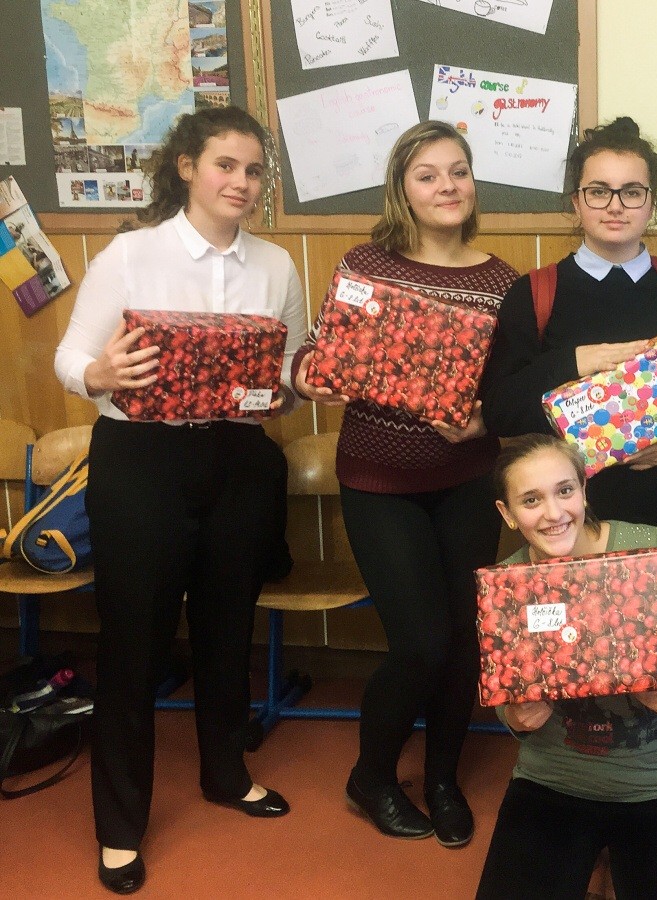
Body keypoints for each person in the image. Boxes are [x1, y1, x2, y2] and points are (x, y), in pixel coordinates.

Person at [54, 106, 306, 895]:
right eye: (226, 165)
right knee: (134, 644)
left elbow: (288, 376)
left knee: (228, 629)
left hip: (239, 460)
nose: (242, 182)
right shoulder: (132, 253)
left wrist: (296, 386)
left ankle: (226, 775)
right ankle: (120, 826)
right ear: (188, 168)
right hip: (142, 460)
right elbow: (70, 356)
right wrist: (98, 375)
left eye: (254, 170)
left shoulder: (277, 265)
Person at [292, 120, 518, 847]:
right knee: (420, 643)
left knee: (465, 642)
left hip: (466, 481)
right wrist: (309, 372)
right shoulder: (367, 264)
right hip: (378, 480)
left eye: (459, 171)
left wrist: (483, 421)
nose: (447, 186)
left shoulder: (502, 282)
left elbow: (510, 392)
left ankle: (445, 779)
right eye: (428, 174)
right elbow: (322, 351)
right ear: (402, 189)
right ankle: (373, 776)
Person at [475, 433, 657, 900]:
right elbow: (503, 683)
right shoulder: (507, 585)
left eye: (565, 490)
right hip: (552, 779)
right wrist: (513, 716)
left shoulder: (650, 547)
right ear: (507, 513)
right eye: (531, 500)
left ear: (584, 490)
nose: (554, 513)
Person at [481, 117, 657, 579]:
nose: (615, 206)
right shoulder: (536, 293)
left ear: (651, 203)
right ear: (576, 202)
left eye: (631, 192)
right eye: (598, 191)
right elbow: (500, 410)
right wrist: (572, 362)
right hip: (572, 528)